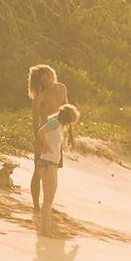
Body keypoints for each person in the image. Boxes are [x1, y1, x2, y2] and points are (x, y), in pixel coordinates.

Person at [28, 65, 73, 212]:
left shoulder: (61, 89)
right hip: (44, 134)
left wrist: (71, 135)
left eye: (48, 77)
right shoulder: (39, 96)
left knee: (52, 171)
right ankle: (36, 205)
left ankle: (47, 203)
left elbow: (68, 113)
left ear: (52, 75)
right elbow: (35, 121)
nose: (47, 82)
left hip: (58, 135)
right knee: (38, 171)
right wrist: (38, 140)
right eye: (43, 80)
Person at [36, 104, 80, 236]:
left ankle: (46, 228)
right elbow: (40, 132)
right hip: (47, 162)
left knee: (50, 198)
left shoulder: (60, 126)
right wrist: (46, 146)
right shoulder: (54, 122)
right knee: (48, 198)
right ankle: (45, 229)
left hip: (52, 163)